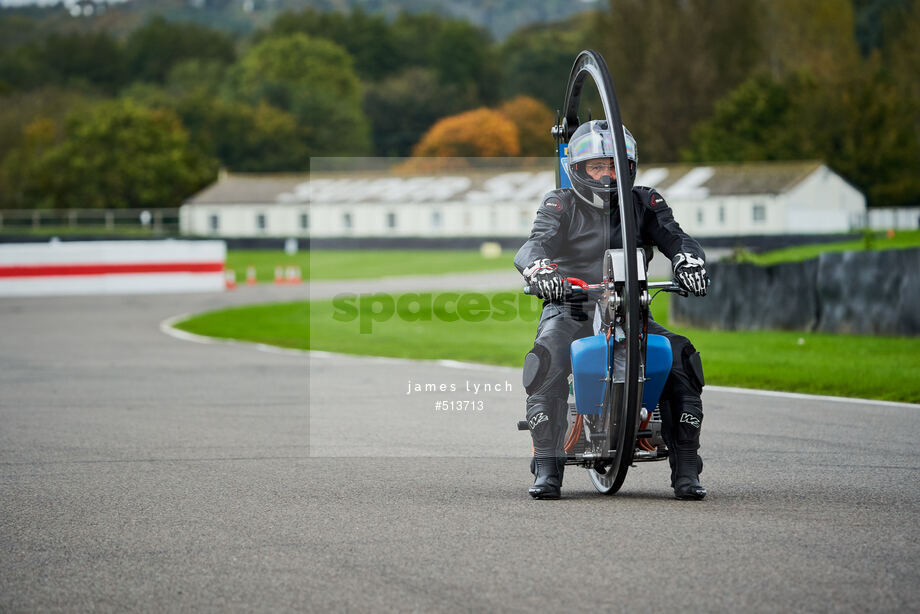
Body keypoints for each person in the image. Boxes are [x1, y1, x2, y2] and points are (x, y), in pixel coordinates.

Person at [514, 120, 709, 501]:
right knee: (547, 355)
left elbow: (677, 237)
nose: (606, 174)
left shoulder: (646, 201)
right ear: (579, 169)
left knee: (682, 356)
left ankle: (686, 465)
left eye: (614, 164)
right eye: (596, 167)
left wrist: (688, 262)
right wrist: (543, 271)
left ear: (629, 166)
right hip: (570, 306)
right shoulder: (560, 202)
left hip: (633, 308)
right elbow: (532, 246)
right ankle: (548, 465)